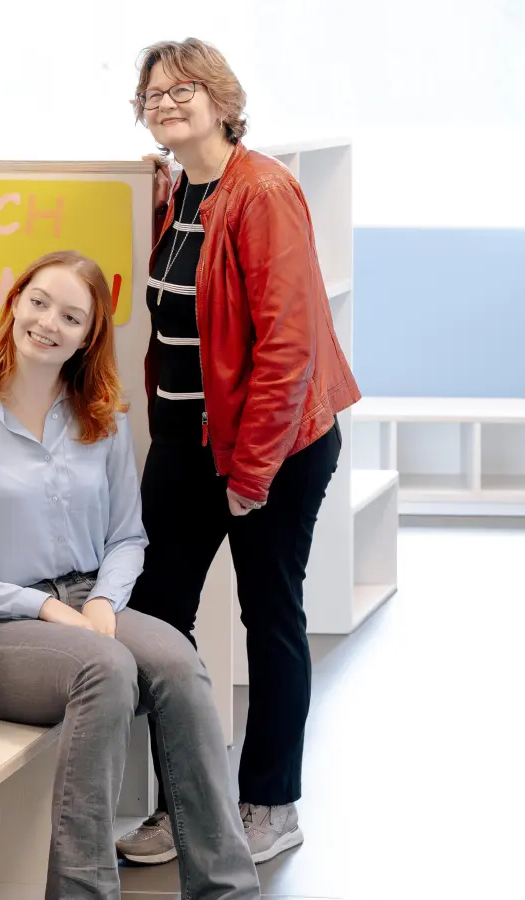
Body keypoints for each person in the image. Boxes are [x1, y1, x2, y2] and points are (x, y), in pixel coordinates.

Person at [0, 250, 260, 900]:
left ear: (88, 335)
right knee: (107, 669)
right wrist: (44, 610)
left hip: (86, 602)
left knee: (180, 663)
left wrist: (103, 601)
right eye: (40, 302)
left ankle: (227, 890)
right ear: (14, 301)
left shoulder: (104, 420)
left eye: (71, 316)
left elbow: (128, 537)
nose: (49, 322)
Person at [116, 38, 362, 867]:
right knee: (155, 622)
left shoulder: (263, 192)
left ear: (224, 100)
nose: (167, 101)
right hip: (186, 439)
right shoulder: (177, 192)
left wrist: (252, 471)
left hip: (276, 446)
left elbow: (288, 348)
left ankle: (270, 804)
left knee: (270, 615)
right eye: (153, 93)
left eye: (186, 88)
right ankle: (179, 807)